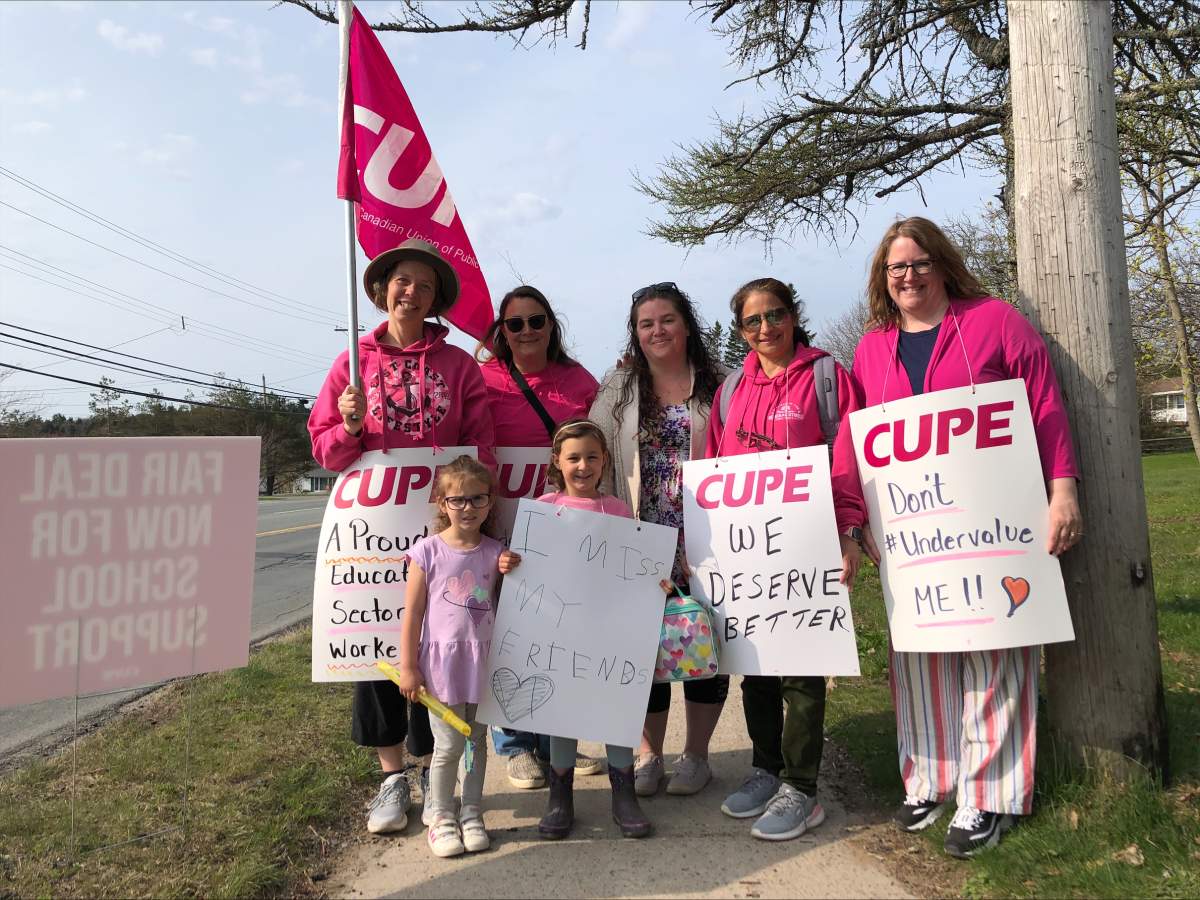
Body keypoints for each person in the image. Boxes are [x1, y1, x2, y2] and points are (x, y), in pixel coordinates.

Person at [839, 216, 1081, 858]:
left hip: (995, 528)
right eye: (896, 268)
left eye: (919, 263)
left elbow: (1045, 404)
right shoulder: (872, 350)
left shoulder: (995, 321)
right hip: (913, 531)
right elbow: (855, 439)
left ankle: (990, 796)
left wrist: (1063, 488)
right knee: (918, 658)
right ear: (882, 280)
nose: (908, 276)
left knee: (996, 652)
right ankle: (929, 780)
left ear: (942, 264)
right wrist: (852, 515)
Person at [308, 238, 496, 836]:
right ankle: (392, 775)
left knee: (435, 643)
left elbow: (481, 444)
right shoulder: (351, 361)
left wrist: (470, 515)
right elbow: (324, 447)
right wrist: (351, 425)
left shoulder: (459, 364)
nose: (410, 291)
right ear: (380, 289)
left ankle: (428, 764)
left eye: (423, 284)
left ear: (437, 297)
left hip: (439, 532)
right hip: (373, 536)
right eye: (400, 281)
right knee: (374, 647)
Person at [705, 277, 867, 842]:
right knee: (755, 666)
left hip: (807, 543)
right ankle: (764, 768)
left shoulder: (828, 376)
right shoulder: (730, 391)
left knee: (801, 669)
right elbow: (715, 471)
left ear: (792, 316)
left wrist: (849, 530)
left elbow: (849, 462)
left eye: (775, 315)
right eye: (752, 321)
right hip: (748, 551)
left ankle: (802, 786)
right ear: (741, 329)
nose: (765, 328)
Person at [589, 282, 729, 799]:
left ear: (686, 324)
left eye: (666, 320)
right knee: (642, 651)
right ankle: (649, 754)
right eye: (646, 323)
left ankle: (697, 755)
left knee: (701, 641)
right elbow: (595, 448)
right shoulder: (620, 385)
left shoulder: (719, 385)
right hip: (640, 534)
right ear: (635, 332)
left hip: (707, 536)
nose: (657, 331)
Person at [475, 285, 602, 789]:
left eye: (536, 321)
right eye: (515, 323)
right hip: (501, 517)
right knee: (506, 629)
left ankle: (558, 744)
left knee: (557, 628)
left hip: (562, 521)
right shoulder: (483, 379)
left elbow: (599, 443)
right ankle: (515, 746)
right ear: (501, 332)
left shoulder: (578, 380)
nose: (526, 331)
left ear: (552, 325)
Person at [530, 419, 656, 840]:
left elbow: (635, 565)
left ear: (604, 462)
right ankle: (560, 796)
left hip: (609, 632)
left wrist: (656, 580)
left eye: (591, 457)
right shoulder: (544, 507)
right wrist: (511, 563)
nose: (583, 466)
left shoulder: (618, 510)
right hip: (559, 631)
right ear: (557, 462)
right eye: (573, 458)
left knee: (615, 711)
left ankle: (624, 794)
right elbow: (528, 564)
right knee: (561, 714)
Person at [394, 456, 519, 858]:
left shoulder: (496, 552)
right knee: (448, 745)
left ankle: (472, 812)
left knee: (477, 742)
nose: (468, 507)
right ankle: (442, 815)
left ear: (490, 501)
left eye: (477, 499)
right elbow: (412, 613)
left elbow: (515, 601)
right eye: (458, 500)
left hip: (483, 663)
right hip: (442, 666)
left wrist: (512, 568)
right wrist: (408, 667)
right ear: (441, 501)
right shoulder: (426, 552)